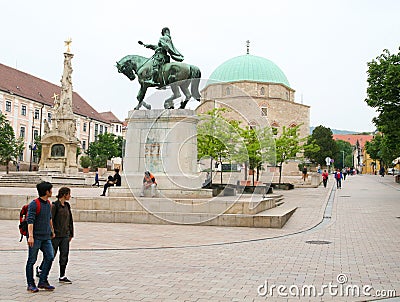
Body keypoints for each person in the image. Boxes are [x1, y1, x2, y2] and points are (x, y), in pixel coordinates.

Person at [37, 187, 74, 284]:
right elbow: (50, 220)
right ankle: (41, 269)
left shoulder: (67, 205)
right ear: (64, 194)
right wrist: (51, 232)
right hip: (55, 235)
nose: (70, 196)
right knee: (51, 255)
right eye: (69, 194)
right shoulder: (54, 206)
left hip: (65, 235)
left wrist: (71, 233)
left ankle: (62, 275)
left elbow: (70, 220)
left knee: (64, 255)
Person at [26, 181, 55, 293]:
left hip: (46, 236)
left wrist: (52, 231)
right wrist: (31, 236)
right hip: (36, 237)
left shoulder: (48, 203)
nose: (52, 192)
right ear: (46, 191)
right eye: (50, 190)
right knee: (32, 260)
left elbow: (49, 218)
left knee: (50, 256)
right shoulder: (34, 204)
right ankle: (30, 283)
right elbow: (30, 221)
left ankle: (43, 280)